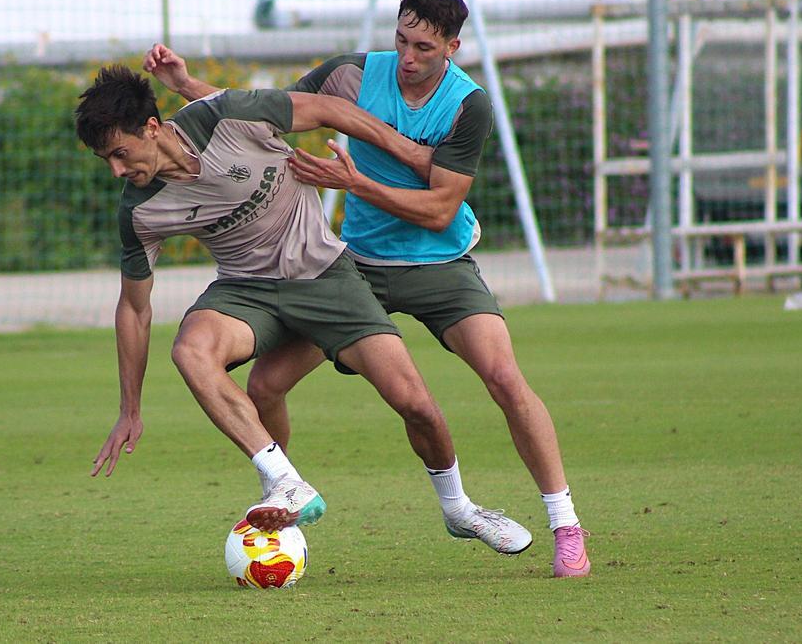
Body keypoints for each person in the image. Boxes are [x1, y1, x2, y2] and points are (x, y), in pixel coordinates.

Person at [143, 0, 591, 577]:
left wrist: (356, 185)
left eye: (425, 47)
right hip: (355, 267)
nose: (408, 57)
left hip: (441, 265)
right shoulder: (350, 74)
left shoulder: (467, 105)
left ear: (453, 47)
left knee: (505, 378)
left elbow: (438, 210)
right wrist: (186, 86)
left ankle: (565, 525)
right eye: (402, 41)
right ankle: (284, 495)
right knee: (266, 386)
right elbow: (258, 113)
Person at [77, 64, 530, 554]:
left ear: (151, 127)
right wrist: (130, 408)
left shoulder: (227, 116)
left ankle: (459, 509)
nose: (117, 171)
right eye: (107, 161)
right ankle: (285, 483)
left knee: (415, 404)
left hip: (324, 276)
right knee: (191, 349)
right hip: (245, 291)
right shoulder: (140, 210)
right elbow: (134, 310)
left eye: (120, 154)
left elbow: (329, 108)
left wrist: (409, 156)